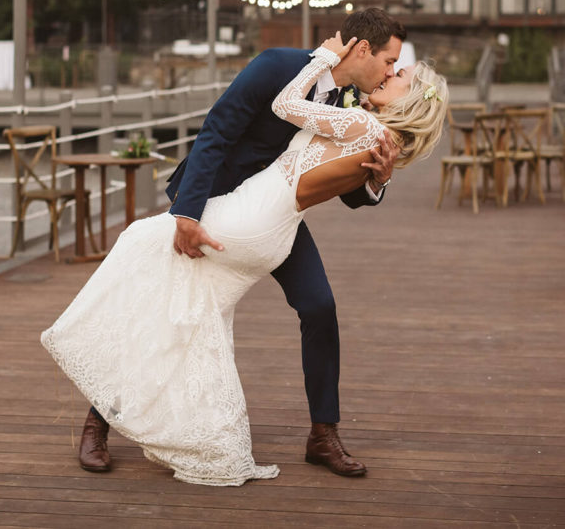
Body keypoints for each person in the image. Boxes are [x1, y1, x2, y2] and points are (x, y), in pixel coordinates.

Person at [42, 25, 447, 488]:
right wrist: (188, 212)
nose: (390, 71)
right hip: (219, 203)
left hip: (274, 218)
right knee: (164, 308)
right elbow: (215, 131)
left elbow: (348, 191)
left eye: (396, 68)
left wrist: (380, 179)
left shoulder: (351, 102)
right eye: (389, 61)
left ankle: (323, 434)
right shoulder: (279, 65)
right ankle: (100, 421)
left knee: (320, 306)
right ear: (360, 49)